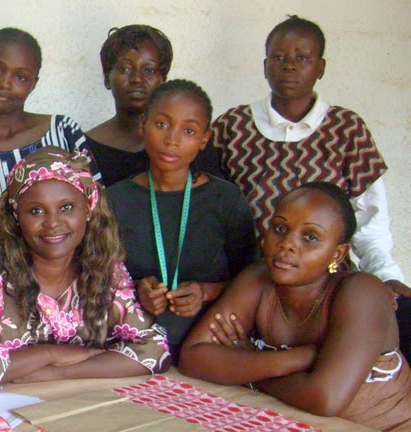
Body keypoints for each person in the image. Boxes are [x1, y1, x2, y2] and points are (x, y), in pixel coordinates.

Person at [195, 15, 410, 360]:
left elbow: (370, 224)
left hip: (324, 288)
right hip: (251, 282)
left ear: (321, 67)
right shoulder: (231, 126)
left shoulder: (347, 128)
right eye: (278, 58)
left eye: (302, 58)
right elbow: (208, 211)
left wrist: (386, 276)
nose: (289, 67)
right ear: (265, 66)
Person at [0, 148, 171, 391]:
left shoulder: (102, 262)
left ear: (88, 208)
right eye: (36, 211)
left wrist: (59, 372)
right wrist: (49, 353)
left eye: (66, 207)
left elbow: (154, 349)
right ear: (16, 216)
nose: (52, 223)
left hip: (75, 401)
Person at [179, 182, 411, 430]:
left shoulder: (362, 291)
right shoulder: (258, 278)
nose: (287, 244)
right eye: (280, 228)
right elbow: (193, 357)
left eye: (310, 237)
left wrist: (247, 364)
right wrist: (292, 360)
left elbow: (325, 398)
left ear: (337, 254)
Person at [105, 80, 257, 357]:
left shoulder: (226, 199)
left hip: (210, 342)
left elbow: (253, 278)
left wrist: (206, 292)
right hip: (133, 342)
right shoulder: (114, 200)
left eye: (188, 130)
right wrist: (137, 288)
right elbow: (98, 277)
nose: (172, 140)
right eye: (161, 124)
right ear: (143, 125)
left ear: (204, 140)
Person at [0, 27, 101, 215]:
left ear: (34, 83)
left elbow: (96, 204)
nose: (4, 83)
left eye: (20, 77)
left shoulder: (62, 131)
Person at [87, 25, 173, 187]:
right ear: (107, 78)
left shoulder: (182, 144)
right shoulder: (83, 149)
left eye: (148, 70)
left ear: (163, 80)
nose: (137, 79)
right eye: (125, 69)